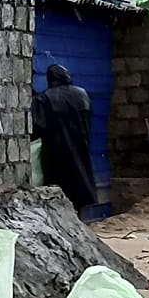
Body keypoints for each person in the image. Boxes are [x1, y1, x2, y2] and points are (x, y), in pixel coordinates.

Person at [30, 64, 96, 213]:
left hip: (56, 151)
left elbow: (37, 126)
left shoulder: (45, 98)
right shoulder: (82, 94)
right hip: (80, 146)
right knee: (79, 184)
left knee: (58, 187)